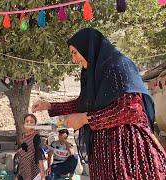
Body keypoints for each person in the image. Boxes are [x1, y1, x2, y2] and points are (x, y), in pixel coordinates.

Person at [32, 28, 166, 179]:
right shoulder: (95, 74)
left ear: (87, 48)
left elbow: (130, 109)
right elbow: (85, 104)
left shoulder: (118, 66)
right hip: (104, 159)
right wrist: (50, 105)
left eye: (75, 52)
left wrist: (85, 119)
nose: (74, 59)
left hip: (129, 155)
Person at [16, 114, 46, 180]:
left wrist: (42, 172)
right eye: (27, 121)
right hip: (22, 165)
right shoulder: (23, 135)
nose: (29, 123)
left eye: (31, 122)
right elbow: (24, 151)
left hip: (31, 166)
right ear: (24, 124)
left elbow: (38, 153)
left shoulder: (36, 136)